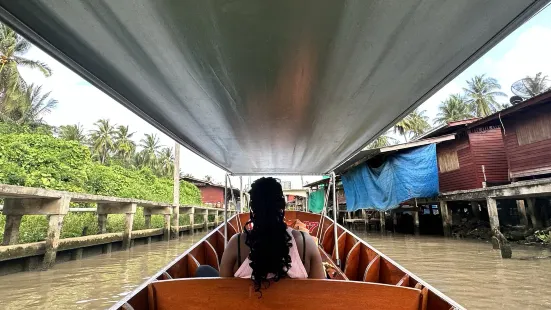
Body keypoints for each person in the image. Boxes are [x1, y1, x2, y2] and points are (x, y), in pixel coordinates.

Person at [214, 177, 325, 291]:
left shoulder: (236, 244)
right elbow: (321, 291)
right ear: (283, 204)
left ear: (252, 207)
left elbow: (223, 291)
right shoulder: (306, 242)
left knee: (204, 270)